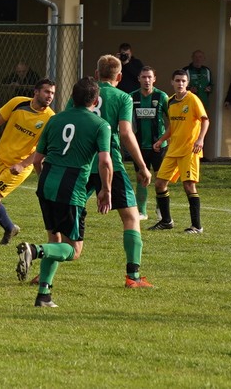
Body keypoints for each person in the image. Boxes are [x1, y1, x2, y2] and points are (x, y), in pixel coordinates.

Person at [14, 78, 112, 308]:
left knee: (54, 239)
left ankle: (44, 296)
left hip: (47, 182)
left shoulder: (54, 119)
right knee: (73, 250)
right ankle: (33, 250)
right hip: (71, 187)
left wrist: (44, 180)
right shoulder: (100, 125)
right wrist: (106, 190)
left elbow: (37, 160)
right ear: (96, 101)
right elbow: (105, 162)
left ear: (71, 98)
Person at [87, 54, 155, 288]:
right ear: (120, 76)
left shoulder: (84, 94)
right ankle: (133, 277)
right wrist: (143, 166)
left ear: (96, 75)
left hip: (82, 162)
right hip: (110, 163)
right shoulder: (123, 97)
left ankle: (46, 261)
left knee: (69, 212)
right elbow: (126, 133)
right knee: (131, 217)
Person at [0, 78, 56, 246]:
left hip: (21, 165)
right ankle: (10, 228)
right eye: (46, 92)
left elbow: (41, 150)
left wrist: (22, 164)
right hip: (2, 158)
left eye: (52, 93)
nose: (50, 96)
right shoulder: (17, 103)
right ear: (36, 92)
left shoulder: (51, 119)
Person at [150, 69, 210, 233]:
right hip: (173, 149)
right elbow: (173, 126)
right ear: (172, 82)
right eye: (177, 80)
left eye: (183, 81)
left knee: (189, 185)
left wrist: (200, 139)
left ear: (187, 83)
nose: (180, 84)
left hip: (189, 149)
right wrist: (161, 140)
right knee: (160, 183)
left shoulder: (193, 99)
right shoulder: (170, 101)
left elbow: (205, 120)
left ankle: (197, 226)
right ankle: (166, 221)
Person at [130, 66, 169, 220]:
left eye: (149, 77)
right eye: (144, 77)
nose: (147, 80)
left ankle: (161, 210)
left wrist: (162, 140)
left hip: (159, 146)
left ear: (154, 79)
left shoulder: (162, 97)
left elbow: (172, 121)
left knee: (160, 179)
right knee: (141, 177)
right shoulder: (132, 97)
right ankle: (142, 212)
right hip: (139, 146)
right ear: (139, 79)